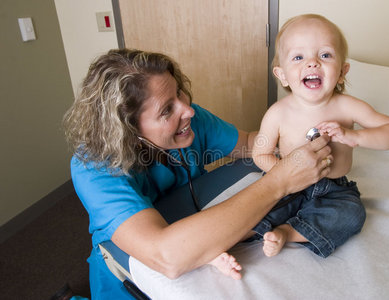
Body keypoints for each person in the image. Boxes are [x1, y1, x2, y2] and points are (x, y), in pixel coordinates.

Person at [62, 48, 333, 299]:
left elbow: (250, 145)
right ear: (128, 131)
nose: (188, 110)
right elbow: (167, 256)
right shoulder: (94, 167)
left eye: (179, 92)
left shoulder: (190, 121)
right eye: (167, 110)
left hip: (192, 225)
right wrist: (281, 181)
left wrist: (299, 132)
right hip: (128, 274)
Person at [252, 14, 389, 258]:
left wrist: (356, 136)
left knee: (352, 213)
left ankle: (287, 232)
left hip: (333, 189)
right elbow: (260, 153)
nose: (312, 63)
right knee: (253, 205)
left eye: (325, 55)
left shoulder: (348, 107)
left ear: (343, 71)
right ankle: (226, 242)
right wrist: (283, 173)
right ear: (282, 75)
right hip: (288, 184)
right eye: (298, 57)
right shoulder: (278, 113)